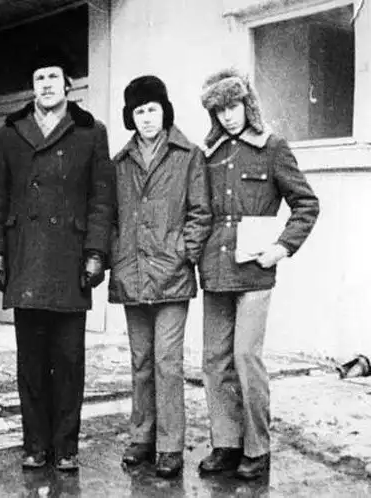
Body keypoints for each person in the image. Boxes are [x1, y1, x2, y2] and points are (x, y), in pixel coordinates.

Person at [0, 46, 114, 471]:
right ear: (33, 86)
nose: (46, 85)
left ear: (68, 85)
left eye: (53, 77)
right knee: (31, 362)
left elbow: (101, 199)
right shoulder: (10, 132)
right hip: (25, 258)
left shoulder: (91, 131)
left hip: (71, 261)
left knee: (69, 360)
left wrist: (96, 252)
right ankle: (35, 444)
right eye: (39, 78)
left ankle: (67, 447)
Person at [197, 68, 319, 480]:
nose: (228, 116)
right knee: (215, 361)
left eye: (233, 106)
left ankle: (257, 448)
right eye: (219, 110)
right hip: (215, 270)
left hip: (254, 271)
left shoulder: (273, 148)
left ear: (247, 105)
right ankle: (226, 444)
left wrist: (282, 247)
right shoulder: (210, 153)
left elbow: (306, 204)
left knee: (246, 358)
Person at [110, 76, 211, 478]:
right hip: (132, 273)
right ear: (130, 117)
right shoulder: (120, 163)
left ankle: (170, 446)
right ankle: (142, 438)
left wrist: (184, 253)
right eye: (139, 111)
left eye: (152, 109)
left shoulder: (188, 155)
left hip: (172, 276)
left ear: (164, 111)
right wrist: (119, 255)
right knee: (140, 361)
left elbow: (200, 212)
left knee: (167, 362)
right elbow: (112, 217)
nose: (147, 118)